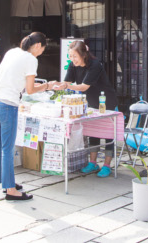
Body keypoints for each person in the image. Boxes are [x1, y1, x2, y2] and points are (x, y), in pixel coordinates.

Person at [0, 32, 53, 200]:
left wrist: (43, 85)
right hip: (8, 105)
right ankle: (11, 190)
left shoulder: (12, 52)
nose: (41, 53)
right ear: (38, 45)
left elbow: (24, 85)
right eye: (42, 49)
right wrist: (47, 86)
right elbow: (31, 90)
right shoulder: (31, 59)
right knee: (8, 148)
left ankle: (5, 182)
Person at [52, 41, 118, 178]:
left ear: (83, 55)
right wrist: (57, 86)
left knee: (107, 134)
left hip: (106, 101)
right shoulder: (73, 65)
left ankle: (107, 165)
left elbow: (83, 87)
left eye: (74, 56)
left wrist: (66, 87)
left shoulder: (95, 65)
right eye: (70, 56)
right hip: (91, 102)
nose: (72, 59)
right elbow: (67, 83)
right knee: (93, 131)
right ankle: (93, 162)